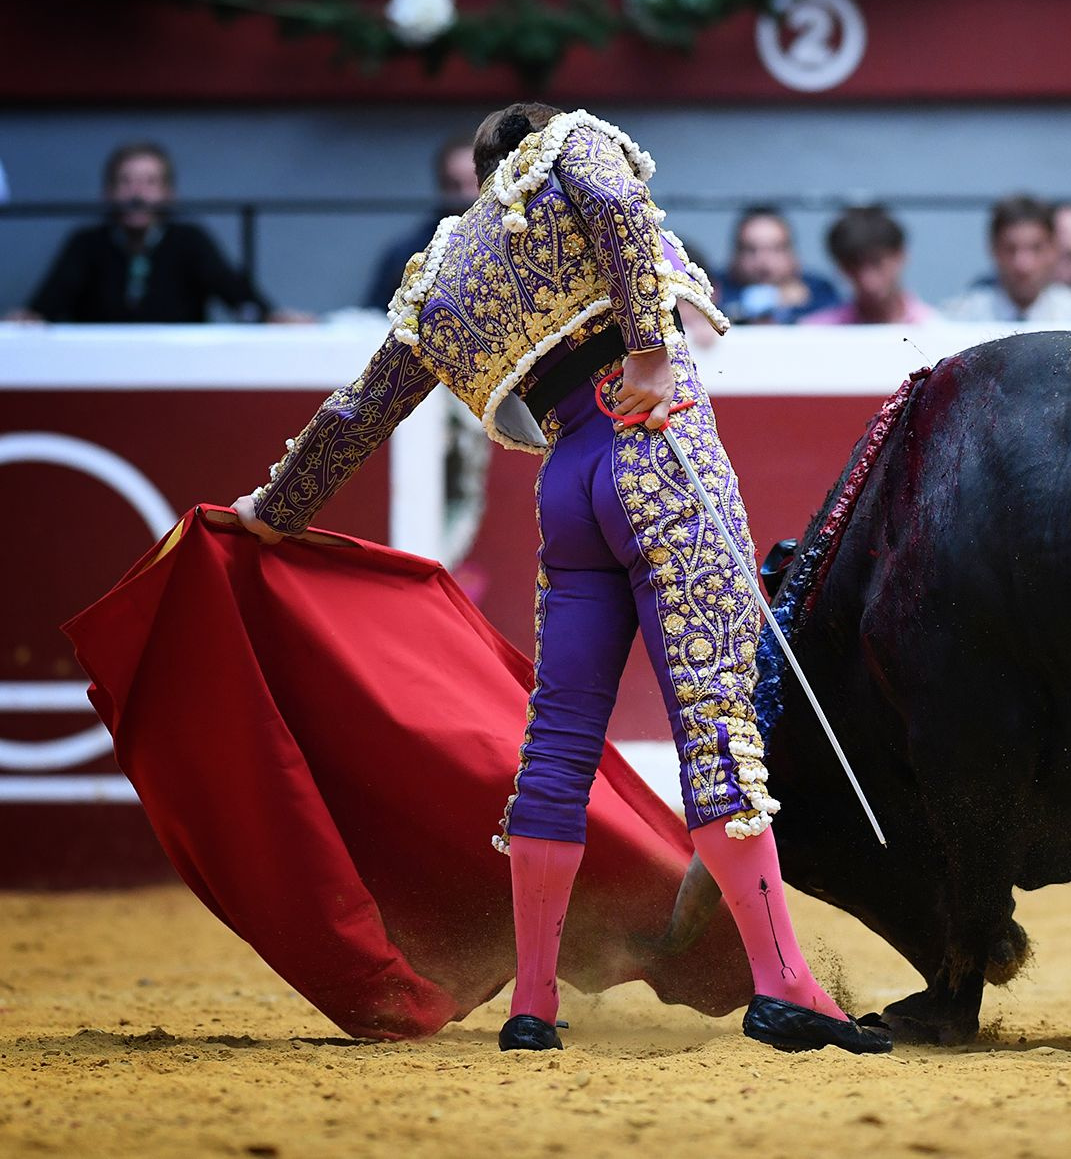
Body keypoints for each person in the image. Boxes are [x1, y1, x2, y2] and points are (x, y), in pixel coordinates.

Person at [228, 102, 890, 1058]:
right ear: (532, 144)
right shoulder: (571, 146)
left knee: (558, 739)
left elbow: (359, 411)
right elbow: (620, 204)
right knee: (714, 723)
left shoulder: (443, 278)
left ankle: (532, 999)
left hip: (569, 486)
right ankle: (783, 981)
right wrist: (655, 354)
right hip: (657, 457)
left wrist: (270, 510)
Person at [14, 142, 297, 324]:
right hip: (99, 370)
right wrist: (29, 319)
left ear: (168, 194)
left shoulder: (189, 240)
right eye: (126, 182)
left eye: (150, 183)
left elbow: (236, 294)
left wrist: (271, 317)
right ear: (108, 193)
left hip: (180, 370)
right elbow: (46, 307)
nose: (137, 193)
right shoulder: (87, 243)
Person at [943, 195, 1071, 323]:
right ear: (993, 249)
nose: (1023, 264)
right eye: (1011, 249)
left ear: (1053, 250)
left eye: (1036, 249)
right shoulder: (954, 320)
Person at [362, 135, 481, 309]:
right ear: (441, 186)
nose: (464, 195)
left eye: (473, 183)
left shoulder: (512, 237)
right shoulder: (408, 251)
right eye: (454, 185)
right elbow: (373, 316)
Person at [799, 205, 937, 325]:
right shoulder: (815, 332)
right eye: (853, 265)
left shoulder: (937, 329)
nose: (867, 280)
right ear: (840, 266)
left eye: (877, 263)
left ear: (900, 255)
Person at [720, 206, 840, 324]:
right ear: (734, 256)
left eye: (776, 249)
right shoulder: (716, 289)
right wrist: (774, 298)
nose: (763, 261)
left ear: (794, 256)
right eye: (750, 250)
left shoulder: (819, 290)